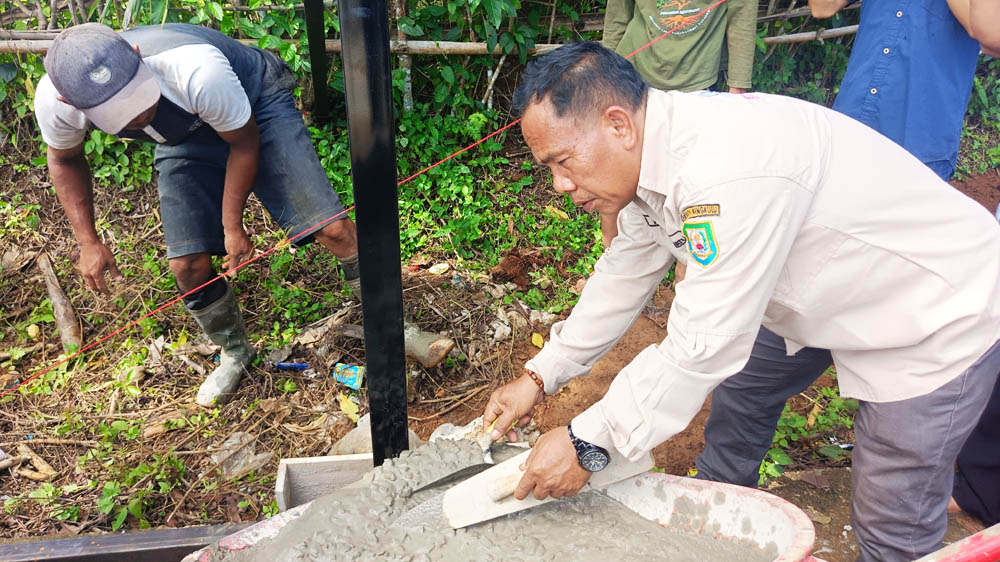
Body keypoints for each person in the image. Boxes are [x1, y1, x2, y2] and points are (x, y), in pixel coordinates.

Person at [482, 42, 1000, 561]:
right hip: (812, 281)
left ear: (619, 125)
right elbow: (622, 273)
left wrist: (585, 442)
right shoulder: (649, 167)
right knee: (744, 392)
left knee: (893, 507)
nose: (559, 185)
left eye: (563, 161)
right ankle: (716, 530)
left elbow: (700, 348)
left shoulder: (723, 172)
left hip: (930, 303)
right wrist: (539, 375)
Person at [34, 23, 360, 406]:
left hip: (255, 105)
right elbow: (64, 159)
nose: (140, 116)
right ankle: (235, 350)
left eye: (139, 97)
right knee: (187, 266)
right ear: (72, 104)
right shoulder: (55, 102)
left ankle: (388, 320)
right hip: (183, 134)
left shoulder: (194, 69)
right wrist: (87, 241)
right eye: (121, 113)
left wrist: (231, 225)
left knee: (332, 228)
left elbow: (243, 142)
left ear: (138, 55)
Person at [810, 0, 1000, 526]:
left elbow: (989, 30)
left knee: (902, 293)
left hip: (919, 139)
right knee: (834, 270)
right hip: (853, 134)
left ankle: (899, 437)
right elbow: (821, 10)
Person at [600, 0, 756, 247]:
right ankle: (611, 249)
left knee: (689, 176)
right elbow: (618, 17)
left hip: (695, 83)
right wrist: (604, 76)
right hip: (634, 75)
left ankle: (687, 258)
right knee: (620, 168)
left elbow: (741, 19)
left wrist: (736, 92)